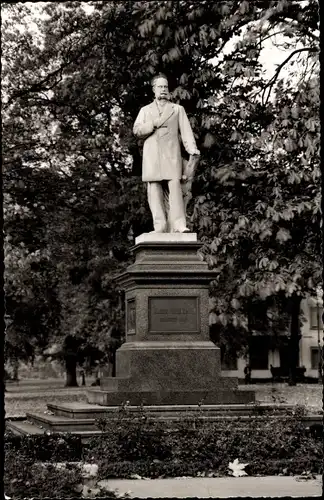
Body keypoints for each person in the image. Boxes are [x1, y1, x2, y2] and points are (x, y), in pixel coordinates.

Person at [133, 74, 200, 233]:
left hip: (171, 154)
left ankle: (178, 225)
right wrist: (153, 124)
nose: (163, 90)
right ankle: (160, 226)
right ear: (154, 89)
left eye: (165, 87)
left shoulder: (177, 109)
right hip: (152, 156)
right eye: (160, 87)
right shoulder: (145, 110)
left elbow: (186, 132)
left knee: (175, 188)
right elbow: (137, 130)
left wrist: (192, 149)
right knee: (154, 190)